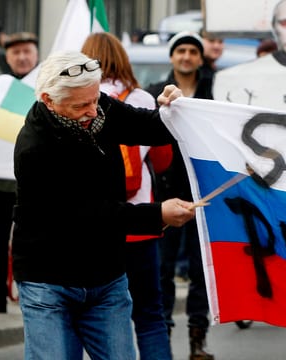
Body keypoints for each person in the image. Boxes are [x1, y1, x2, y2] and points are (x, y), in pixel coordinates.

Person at [12, 50, 192, 359]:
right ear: (48, 100)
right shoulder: (34, 148)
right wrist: (157, 213)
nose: (94, 111)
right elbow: (86, 214)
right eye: (81, 105)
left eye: (96, 99)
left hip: (106, 277)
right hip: (48, 283)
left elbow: (149, 126)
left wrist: (174, 107)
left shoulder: (99, 108)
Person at [81, 32, 174, 359]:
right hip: (141, 225)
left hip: (96, 229)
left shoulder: (80, 100)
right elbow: (162, 162)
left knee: (100, 314)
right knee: (150, 315)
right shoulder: (143, 100)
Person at [146, 31, 216, 360]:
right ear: (172, 57)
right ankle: (163, 339)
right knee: (163, 269)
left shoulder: (214, 94)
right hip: (164, 195)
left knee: (203, 270)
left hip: (205, 194)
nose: (186, 56)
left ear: (200, 58)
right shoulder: (154, 94)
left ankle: (197, 341)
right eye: (180, 51)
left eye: (192, 51)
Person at [0, 30, 39, 314]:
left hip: (36, 184)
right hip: (1, 184)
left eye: (27, 51)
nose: (22, 57)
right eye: (16, 52)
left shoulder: (45, 87)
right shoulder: (1, 87)